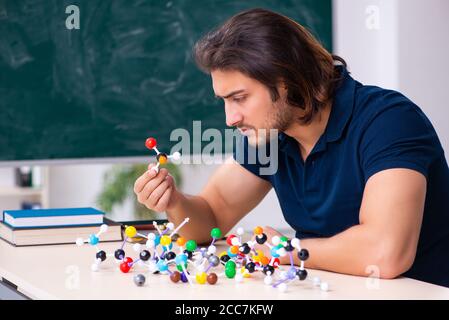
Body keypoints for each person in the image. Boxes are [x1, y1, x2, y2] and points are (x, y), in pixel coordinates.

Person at [133, 8, 449, 287]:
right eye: (225, 101)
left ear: (287, 81)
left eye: (239, 98)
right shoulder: (271, 135)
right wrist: (173, 200)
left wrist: (288, 251)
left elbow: (385, 253)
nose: (231, 118)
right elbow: (211, 218)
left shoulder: (388, 121)